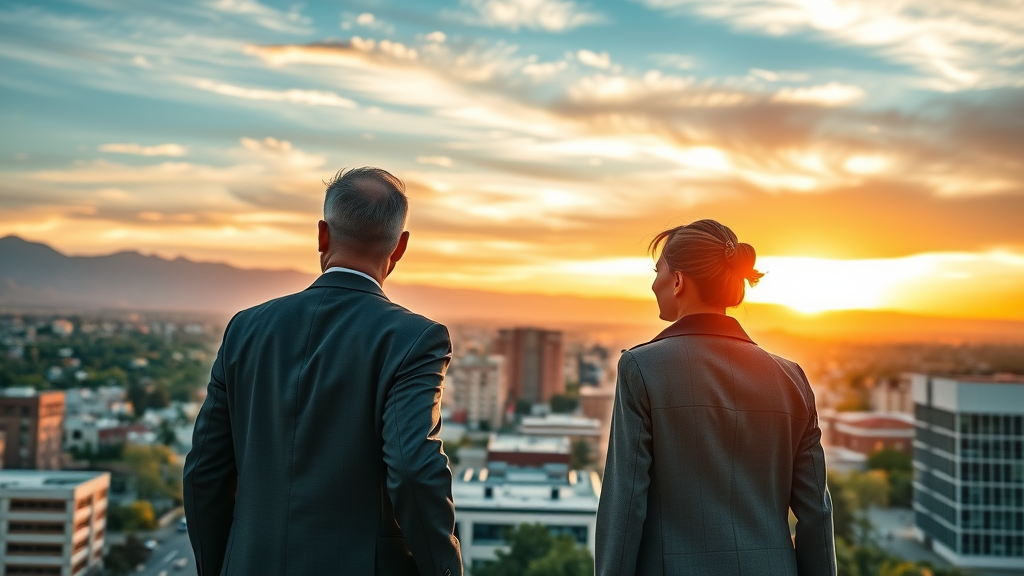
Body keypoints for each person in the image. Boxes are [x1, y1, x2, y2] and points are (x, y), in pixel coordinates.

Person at [183, 167, 462, 576]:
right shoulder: (413, 339)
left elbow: (203, 471)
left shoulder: (245, 329)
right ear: (400, 247)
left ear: (322, 235)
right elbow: (412, 470)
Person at [595, 219, 836, 576]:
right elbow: (816, 512)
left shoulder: (641, 369)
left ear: (678, 281)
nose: (654, 283)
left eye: (658, 271)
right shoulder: (791, 379)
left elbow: (625, 506)